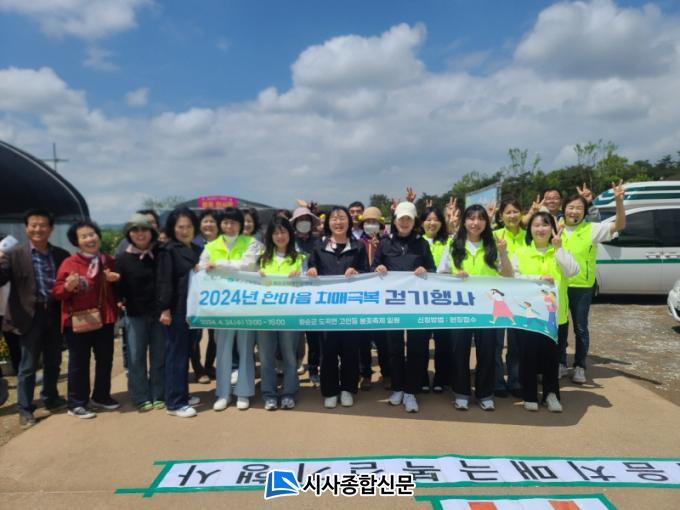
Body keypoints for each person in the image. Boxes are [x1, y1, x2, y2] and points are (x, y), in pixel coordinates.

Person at [0, 209, 69, 428]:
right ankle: (25, 408)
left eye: (43, 225)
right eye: (33, 225)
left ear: (51, 229)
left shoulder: (61, 254)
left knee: (53, 360)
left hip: (54, 312)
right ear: (26, 228)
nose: (38, 229)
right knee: (28, 365)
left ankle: (50, 397)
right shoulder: (14, 254)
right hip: (29, 315)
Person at [440, 204, 513, 411]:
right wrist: (454, 277)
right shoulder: (453, 245)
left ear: (486, 223)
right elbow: (441, 274)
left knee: (487, 352)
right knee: (459, 351)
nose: (475, 223)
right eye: (471, 218)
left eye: (480, 218)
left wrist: (503, 253)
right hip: (460, 308)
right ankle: (461, 392)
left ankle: (485, 393)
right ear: (464, 221)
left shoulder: (493, 245)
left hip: (487, 308)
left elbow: (508, 275)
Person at [53, 220, 121, 419]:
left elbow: (119, 286)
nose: (90, 239)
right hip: (77, 321)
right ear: (77, 241)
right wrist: (67, 287)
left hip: (105, 318)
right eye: (84, 236)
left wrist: (116, 280)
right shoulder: (69, 263)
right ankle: (76, 403)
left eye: (92, 234)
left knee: (105, 360)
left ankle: (101, 396)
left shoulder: (107, 260)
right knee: (79, 362)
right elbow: (57, 292)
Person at [512, 212, 579, 412]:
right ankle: (530, 394)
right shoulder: (521, 252)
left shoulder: (560, 251)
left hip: (555, 317)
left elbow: (572, 271)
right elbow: (512, 278)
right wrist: (537, 279)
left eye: (545, 225)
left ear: (552, 229)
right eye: (536, 225)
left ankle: (551, 394)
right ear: (529, 229)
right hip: (530, 316)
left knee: (552, 358)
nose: (540, 229)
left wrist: (559, 248)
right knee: (528, 356)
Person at [560, 181, 626, 384]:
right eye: (571, 207)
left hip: (582, 286)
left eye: (579, 208)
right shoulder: (555, 227)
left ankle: (579, 366)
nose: (574, 211)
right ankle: (560, 363)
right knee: (559, 328)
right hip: (559, 285)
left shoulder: (592, 228)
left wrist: (619, 201)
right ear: (564, 209)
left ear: (585, 211)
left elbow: (619, 225)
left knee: (580, 328)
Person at [373, 202, 435, 413]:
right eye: (401, 218)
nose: (405, 222)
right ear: (395, 220)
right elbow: (373, 267)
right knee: (394, 348)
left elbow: (432, 268)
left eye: (409, 218)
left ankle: (411, 391)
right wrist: (379, 268)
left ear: (414, 221)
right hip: (392, 304)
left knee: (417, 348)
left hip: (417, 305)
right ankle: (398, 387)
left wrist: (425, 270)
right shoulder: (385, 243)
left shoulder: (422, 244)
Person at [199, 207, 262, 412]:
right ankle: (223, 393)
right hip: (221, 305)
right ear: (220, 224)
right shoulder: (211, 245)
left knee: (245, 348)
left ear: (240, 224)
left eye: (234, 222)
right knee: (223, 350)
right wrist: (214, 266)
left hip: (245, 304)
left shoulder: (252, 243)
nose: (229, 226)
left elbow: (248, 265)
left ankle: (244, 391)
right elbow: (202, 268)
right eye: (225, 222)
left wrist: (218, 264)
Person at [307, 206, 369, 408]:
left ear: (349, 222)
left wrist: (358, 272)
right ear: (328, 223)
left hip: (351, 308)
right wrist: (312, 271)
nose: (338, 222)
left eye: (342, 218)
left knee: (350, 351)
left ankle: (348, 389)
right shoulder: (319, 247)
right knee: (328, 351)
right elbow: (311, 268)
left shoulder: (358, 246)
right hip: (327, 309)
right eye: (334, 218)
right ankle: (330, 390)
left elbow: (367, 273)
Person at [116, 213, 165, 412]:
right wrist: (119, 300)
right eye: (135, 230)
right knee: (136, 357)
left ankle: (158, 394)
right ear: (129, 234)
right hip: (135, 314)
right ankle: (140, 395)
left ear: (152, 232)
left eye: (144, 229)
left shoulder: (161, 254)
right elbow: (117, 287)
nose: (140, 233)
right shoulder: (122, 258)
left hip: (160, 314)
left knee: (159, 356)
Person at [156, 207, 203, 418]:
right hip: (176, 310)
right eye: (180, 227)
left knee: (186, 352)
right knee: (176, 355)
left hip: (193, 309)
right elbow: (164, 281)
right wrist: (164, 309)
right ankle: (174, 403)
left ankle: (182, 394)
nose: (185, 231)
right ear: (173, 229)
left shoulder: (197, 249)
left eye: (189, 226)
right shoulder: (169, 250)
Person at [257, 217, 304, 410]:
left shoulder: (299, 258)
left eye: (283, 231)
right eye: (275, 232)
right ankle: (269, 394)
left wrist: (300, 278)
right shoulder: (262, 259)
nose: (280, 236)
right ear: (270, 236)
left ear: (290, 234)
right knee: (266, 356)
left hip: (289, 314)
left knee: (289, 356)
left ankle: (288, 393)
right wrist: (257, 278)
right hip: (265, 314)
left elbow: (307, 286)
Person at [492, 198, 526, 398]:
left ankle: (515, 380)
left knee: (516, 342)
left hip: (521, 295)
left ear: (522, 213)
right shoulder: (494, 235)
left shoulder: (529, 236)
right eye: (508, 212)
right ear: (501, 216)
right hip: (497, 295)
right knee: (496, 342)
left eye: (515, 211)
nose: (512, 216)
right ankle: (497, 381)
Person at [420, 206, 453, 393]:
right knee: (421, 341)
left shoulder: (450, 242)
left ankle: (441, 378)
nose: (432, 223)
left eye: (436, 219)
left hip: (443, 300)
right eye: (428, 219)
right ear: (422, 222)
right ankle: (422, 378)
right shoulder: (416, 242)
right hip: (421, 300)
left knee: (443, 341)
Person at [358, 207, 391, 389]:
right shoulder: (357, 243)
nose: (370, 225)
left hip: (383, 297)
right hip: (363, 296)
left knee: (383, 339)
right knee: (363, 339)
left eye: (374, 222)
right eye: (367, 222)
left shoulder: (388, 242)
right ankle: (365, 374)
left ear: (380, 225)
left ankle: (387, 373)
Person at [290, 206, 321, 386]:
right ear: (294, 223)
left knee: (314, 336)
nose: (303, 223)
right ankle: (291, 368)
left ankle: (314, 369)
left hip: (313, 294)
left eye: (306, 220)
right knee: (292, 336)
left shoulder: (319, 241)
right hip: (292, 295)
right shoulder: (288, 241)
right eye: (300, 220)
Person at [191, 209, 220, 383]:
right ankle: (198, 369)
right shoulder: (192, 244)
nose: (208, 225)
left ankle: (209, 366)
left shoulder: (223, 245)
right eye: (205, 221)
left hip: (217, 295)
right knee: (196, 334)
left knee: (215, 334)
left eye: (212, 221)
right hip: (196, 295)